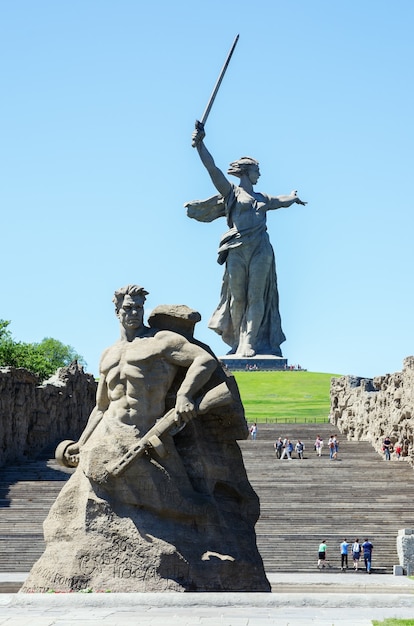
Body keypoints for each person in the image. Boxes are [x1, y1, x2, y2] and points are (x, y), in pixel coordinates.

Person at [186, 123, 306, 358]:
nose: (259, 174)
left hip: (261, 248)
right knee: (238, 297)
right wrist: (200, 144)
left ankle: (249, 343)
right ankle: (238, 341)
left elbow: (281, 200)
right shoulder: (231, 193)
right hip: (237, 249)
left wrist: (293, 197)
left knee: (256, 296)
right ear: (245, 171)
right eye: (256, 170)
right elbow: (213, 169)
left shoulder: (263, 198)